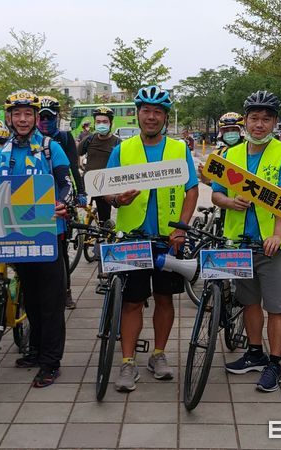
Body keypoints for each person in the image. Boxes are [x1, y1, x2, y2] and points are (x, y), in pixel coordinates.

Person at [104, 85, 199, 392]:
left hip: (167, 239)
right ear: (138, 114)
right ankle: (127, 362)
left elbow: (192, 190)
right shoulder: (123, 149)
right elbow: (107, 189)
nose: (151, 116)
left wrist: (182, 227)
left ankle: (158, 355)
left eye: (158, 111)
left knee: (164, 298)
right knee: (132, 302)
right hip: (133, 237)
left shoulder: (179, 149)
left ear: (165, 117)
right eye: (146, 110)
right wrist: (119, 200)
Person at [212, 91, 281, 392]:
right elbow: (215, 194)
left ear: (275, 122)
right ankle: (254, 353)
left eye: (266, 119)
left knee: (276, 306)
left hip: (271, 243)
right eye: (254, 118)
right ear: (245, 121)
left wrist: (277, 233)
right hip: (238, 242)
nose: (259, 124)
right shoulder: (229, 154)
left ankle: (274, 364)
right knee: (249, 301)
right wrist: (228, 202)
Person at [0, 90, 71, 388]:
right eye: (17, 114)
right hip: (17, 236)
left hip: (50, 234)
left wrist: (63, 203)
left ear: (36, 117)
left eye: (28, 114)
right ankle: (36, 350)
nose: (22, 119)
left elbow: (67, 185)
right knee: (32, 300)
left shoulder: (51, 148)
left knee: (51, 303)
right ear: (9, 117)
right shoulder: (3, 152)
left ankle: (51, 362)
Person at [37, 96, 86, 309]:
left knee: (61, 250)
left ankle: (66, 292)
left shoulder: (64, 138)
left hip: (59, 200)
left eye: (49, 117)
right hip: (31, 202)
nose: (45, 121)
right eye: (41, 117)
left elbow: (73, 169)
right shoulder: (29, 139)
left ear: (57, 118)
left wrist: (81, 192)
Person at [78, 106, 121, 224]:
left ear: (111, 123)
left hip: (105, 186)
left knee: (104, 221)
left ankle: (104, 236)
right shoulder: (89, 140)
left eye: (105, 122)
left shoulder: (117, 143)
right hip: (87, 183)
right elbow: (75, 154)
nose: (101, 124)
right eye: (98, 122)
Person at [198, 112, 244, 185]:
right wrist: (204, 175)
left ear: (241, 131)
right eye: (226, 130)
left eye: (233, 130)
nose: (230, 133)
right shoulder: (217, 155)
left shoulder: (251, 152)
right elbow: (211, 183)